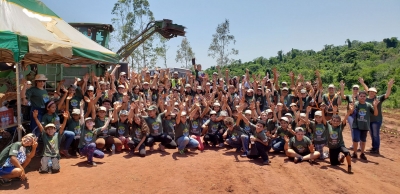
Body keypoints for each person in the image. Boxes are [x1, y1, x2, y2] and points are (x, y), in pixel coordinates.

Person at [360, 78, 394, 154]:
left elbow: (387, 95)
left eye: (373, 92)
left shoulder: (378, 99)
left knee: (375, 134)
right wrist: (363, 83)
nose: (372, 93)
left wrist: (389, 86)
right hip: (369, 120)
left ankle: (376, 149)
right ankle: (374, 147)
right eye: (370, 92)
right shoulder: (366, 99)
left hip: (377, 119)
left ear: (375, 93)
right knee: (372, 134)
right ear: (368, 92)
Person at [349, 90, 378, 160]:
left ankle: (362, 153)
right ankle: (355, 153)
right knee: (355, 139)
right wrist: (352, 107)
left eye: (364, 96)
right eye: (361, 96)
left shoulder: (368, 105)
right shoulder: (356, 104)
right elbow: (351, 112)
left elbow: (375, 114)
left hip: (365, 125)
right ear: (358, 97)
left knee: (363, 140)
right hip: (356, 125)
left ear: (366, 97)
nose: (362, 97)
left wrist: (375, 106)